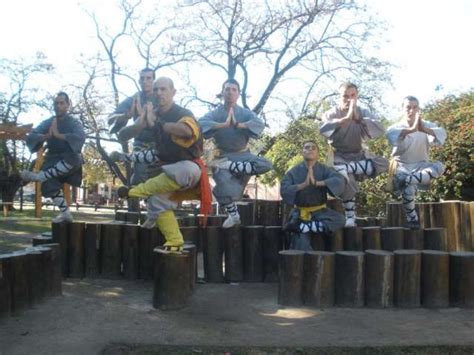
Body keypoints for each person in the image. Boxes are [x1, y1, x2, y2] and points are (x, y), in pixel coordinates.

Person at [116, 77, 212, 253]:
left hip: (188, 169)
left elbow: (187, 131)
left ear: (173, 92)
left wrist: (157, 124)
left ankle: (135, 191)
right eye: (156, 89)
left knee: (185, 170)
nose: (159, 93)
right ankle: (174, 240)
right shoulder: (152, 114)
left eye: (163, 89)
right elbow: (123, 136)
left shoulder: (183, 113)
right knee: (158, 201)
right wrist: (137, 119)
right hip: (164, 171)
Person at [199, 78, 272, 228]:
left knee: (266, 164)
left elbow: (259, 124)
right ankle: (233, 215)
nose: (230, 93)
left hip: (243, 155)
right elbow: (200, 124)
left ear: (238, 94)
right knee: (223, 188)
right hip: (223, 156)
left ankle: (232, 166)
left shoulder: (245, 113)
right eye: (227, 89)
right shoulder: (215, 113)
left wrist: (239, 124)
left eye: (233, 90)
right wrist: (223, 125)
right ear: (222, 93)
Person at [320, 82, 388, 227]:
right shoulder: (331, 113)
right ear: (339, 96)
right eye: (345, 96)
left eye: (352, 96)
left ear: (357, 96)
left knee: (384, 163)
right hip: (339, 156)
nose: (349, 99)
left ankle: (349, 168)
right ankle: (350, 216)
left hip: (359, 155)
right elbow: (323, 131)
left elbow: (381, 129)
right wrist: (340, 121)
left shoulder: (363, 111)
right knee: (347, 179)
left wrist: (360, 119)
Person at [21, 92, 85, 222]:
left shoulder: (74, 122)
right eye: (56, 103)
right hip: (52, 160)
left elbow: (80, 137)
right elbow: (33, 135)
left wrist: (58, 134)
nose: (58, 106)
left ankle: (39, 176)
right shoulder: (48, 122)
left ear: (68, 105)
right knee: (48, 185)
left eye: (62, 103)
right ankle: (65, 213)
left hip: (69, 161)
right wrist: (45, 136)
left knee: (76, 157)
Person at [386, 96, 446, 228]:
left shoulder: (426, 124)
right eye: (408, 107)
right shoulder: (394, 128)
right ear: (402, 109)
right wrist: (414, 128)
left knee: (440, 167)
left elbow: (441, 135)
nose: (411, 111)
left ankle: (411, 179)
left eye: (415, 107)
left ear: (419, 109)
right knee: (409, 189)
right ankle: (412, 217)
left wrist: (424, 129)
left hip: (421, 167)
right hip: (402, 167)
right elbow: (395, 137)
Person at [280, 140, 346, 251]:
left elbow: (339, 180)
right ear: (302, 152)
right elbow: (284, 189)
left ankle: (306, 227)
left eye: (313, 148)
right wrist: (303, 185)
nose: (310, 149)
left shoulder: (324, 169)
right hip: (300, 213)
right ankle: (304, 227)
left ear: (318, 153)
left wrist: (317, 183)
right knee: (301, 247)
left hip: (320, 212)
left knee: (340, 220)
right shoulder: (293, 172)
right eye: (307, 147)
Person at [108, 67, 159, 185]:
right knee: (139, 175)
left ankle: (125, 158)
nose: (145, 81)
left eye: (149, 78)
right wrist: (126, 115)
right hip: (141, 143)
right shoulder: (134, 99)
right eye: (142, 78)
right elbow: (111, 120)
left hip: (160, 143)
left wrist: (147, 115)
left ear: (153, 80)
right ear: (139, 81)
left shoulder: (160, 97)